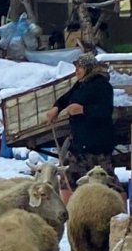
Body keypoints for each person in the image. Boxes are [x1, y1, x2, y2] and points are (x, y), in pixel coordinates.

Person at [46, 52, 123, 192]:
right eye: (76, 67)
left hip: (97, 147)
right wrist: (56, 108)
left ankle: (119, 211)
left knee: (109, 184)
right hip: (79, 146)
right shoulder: (80, 85)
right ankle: (70, 212)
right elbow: (66, 98)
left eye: (80, 67)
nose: (76, 70)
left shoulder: (102, 86)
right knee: (67, 181)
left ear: (89, 68)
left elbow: (105, 110)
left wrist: (83, 110)